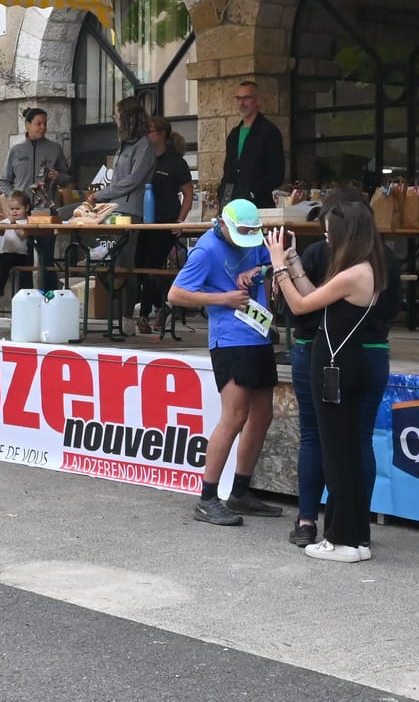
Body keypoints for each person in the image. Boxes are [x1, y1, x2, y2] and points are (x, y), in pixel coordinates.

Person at [278, 188, 401, 548]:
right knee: (352, 443)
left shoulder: (353, 270)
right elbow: (321, 297)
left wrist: (280, 267)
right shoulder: (381, 262)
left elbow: (303, 307)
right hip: (370, 356)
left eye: (331, 229)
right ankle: (352, 526)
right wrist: (296, 267)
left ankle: (330, 528)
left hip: (338, 360)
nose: (326, 238)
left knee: (329, 444)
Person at [170, 200, 281, 526]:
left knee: (263, 414)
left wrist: (258, 270)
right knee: (234, 417)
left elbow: (276, 260)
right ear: (224, 225)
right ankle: (207, 498)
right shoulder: (206, 250)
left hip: (259, 335)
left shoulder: (252, 238)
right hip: (230, 339)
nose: (247, 242)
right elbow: (175, 294)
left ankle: (241, 491)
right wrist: (223, 298)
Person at [96, 97, 157, 332]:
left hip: (130, 209)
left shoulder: (143, 146)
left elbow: (132, 180)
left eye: (117, 115)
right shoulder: (124, 145)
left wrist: (104, 194)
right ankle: (115, 310)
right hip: (115, 206)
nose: (115, 119)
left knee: (125, 262)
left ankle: (127, 312)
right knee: (113, 258)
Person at [136, 116, 196, 325]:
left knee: (153, 263)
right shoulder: (144, 158)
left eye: (150, 131)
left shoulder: (175, 162)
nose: (147, 136)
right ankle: (162, 303)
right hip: (144, 220)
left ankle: (145, 314)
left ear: (161, 134)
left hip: (166, 220)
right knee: (139, 263)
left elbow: (188, 193)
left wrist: (180, 221)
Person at [1, 107, 68, 288]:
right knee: (24, 258)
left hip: (46, 213)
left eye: (45, 123)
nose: (43, 127)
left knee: (46, 255)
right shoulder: (16, 151)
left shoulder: (55, 149)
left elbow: (68, 177)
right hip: (22, 216)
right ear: (27, 125)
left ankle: (50, 297)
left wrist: (58, 176)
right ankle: (26, 296)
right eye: (38, 123)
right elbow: (4, 182)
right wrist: (14, 199)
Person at [217, 80, 286, 209]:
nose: (242, 103)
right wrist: (223, 201)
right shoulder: (234, 134)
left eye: (247, 98)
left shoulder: (269, 132)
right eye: (238, 99)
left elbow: (276, 174)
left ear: (258, 101)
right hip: (233, 208)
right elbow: (228, 174)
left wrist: (252, 193)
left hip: (258, 207)